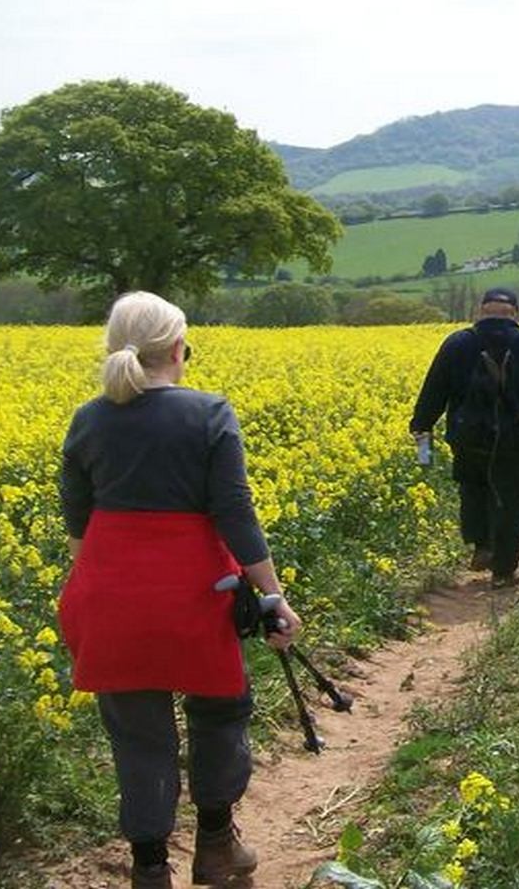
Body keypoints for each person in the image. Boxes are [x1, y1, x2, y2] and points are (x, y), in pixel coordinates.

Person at [57, 291, 300, 889]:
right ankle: (216, 849)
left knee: (138, 736)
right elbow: (234, 513)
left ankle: (148, 871)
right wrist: (272, 596)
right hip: (193, 592)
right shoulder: (209, 412)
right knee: (219, 711)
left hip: (109, 592)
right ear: (176, 348)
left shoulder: (88, 418)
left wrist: (99, 588)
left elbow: (77, 522)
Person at [409, 287, 519, 588]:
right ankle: (503, 571)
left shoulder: (458, 343)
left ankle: (482, 546)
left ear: (481, 311)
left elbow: (435, 388)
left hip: (468, 435)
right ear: (515, 312)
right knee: (512, 499)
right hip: (517, 434)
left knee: (473, 488)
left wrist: (422, 424)